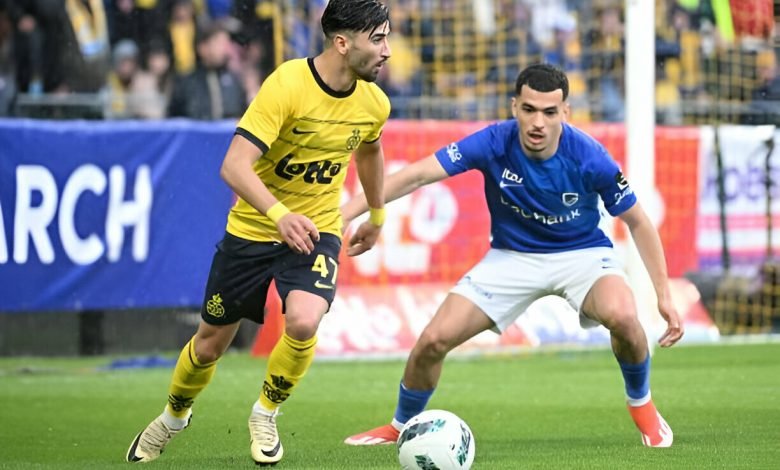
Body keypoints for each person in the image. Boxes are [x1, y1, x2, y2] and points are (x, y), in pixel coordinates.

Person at [342, 63, 684, 448]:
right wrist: (348, 212)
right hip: (512, 256)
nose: (538, 122)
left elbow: (639, 222)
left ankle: (642, 406)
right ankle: (400, 426)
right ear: (514, 107)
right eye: (529, 110)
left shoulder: (590, 156)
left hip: (582, 255)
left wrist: (664, 296)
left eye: (549, 112)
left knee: (624, 317)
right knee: (433, 340)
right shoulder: (493, 142)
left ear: (565, 112)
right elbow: (417, 175)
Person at [125, 0, 391, 464]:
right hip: (253, 228)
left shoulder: (374, 103)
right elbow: (233, 165)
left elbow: (370, 152)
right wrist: (280, 214)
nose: (387, 50)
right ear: (342, 43)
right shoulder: (287, 84)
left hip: (315, 230)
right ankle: (173, 416)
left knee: (304, 320)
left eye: (388, 38)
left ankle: (266, 412)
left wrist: (377, 214)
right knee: (209, 345)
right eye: (378, 39)